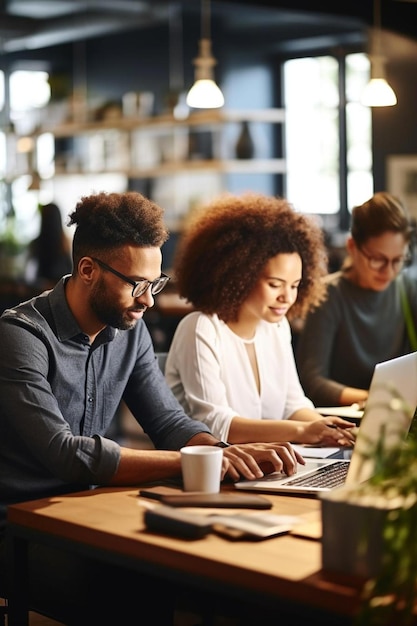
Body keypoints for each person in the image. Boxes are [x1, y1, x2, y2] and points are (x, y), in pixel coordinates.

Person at [0, 191, 303, 625]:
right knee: (139, 586)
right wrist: (195, 462)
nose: (149, 301)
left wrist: (222, 453)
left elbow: (167, 421)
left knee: (208, 573)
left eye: (156, 284)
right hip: (19, 529)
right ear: (87, 270)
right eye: (137, 284)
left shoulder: (129, 330)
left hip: (88, 510)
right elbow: (65, 454)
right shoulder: (21, 337)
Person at [165, 192, 355, 447]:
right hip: (208, 474)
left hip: (265, 465)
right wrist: (302, 431)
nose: (286, 297)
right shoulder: (202, 328)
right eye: (275, 284)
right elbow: (215, 424)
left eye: (295, 285)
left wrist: (326, 427)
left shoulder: (276, 327)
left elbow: (292, 405)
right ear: (240, 274)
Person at [295, 191, 417, 407]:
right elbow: (313, 381)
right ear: (352, 247)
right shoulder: (329, 295)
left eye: (398, 260)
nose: (388, 271)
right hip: (345, 422)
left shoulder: (406, 287)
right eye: (378, 260)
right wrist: (378, 400)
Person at [25, 201, 73, 289]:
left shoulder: (37, 243)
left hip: (40, 290)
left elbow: (30, 274)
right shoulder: (66, 243)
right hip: (63, 290)